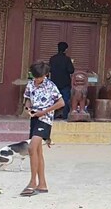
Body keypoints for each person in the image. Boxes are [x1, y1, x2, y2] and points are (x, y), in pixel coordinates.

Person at [21, 61, 65, 197]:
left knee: (31, 148)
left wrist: (45, 111)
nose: (37, 79)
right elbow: (27, 98)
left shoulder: (51, 86)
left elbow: (61, 102)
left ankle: (32, 182)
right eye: (35, 76)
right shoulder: (30, 84)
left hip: (44, 120)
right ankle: (42, 184)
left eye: (39, 77)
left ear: (45, 75)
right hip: (34, 119)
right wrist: (28, 108)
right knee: (38, 151)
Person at [49, 42, 74, 120]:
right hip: (65, 83)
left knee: (52, 100)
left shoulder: (52, 59)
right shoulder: (67, 59)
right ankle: (65, 116)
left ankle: (51, 115)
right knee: (66, 100)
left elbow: (49, 70)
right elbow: (71, 70)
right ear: (66, 50)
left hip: (54, 83)